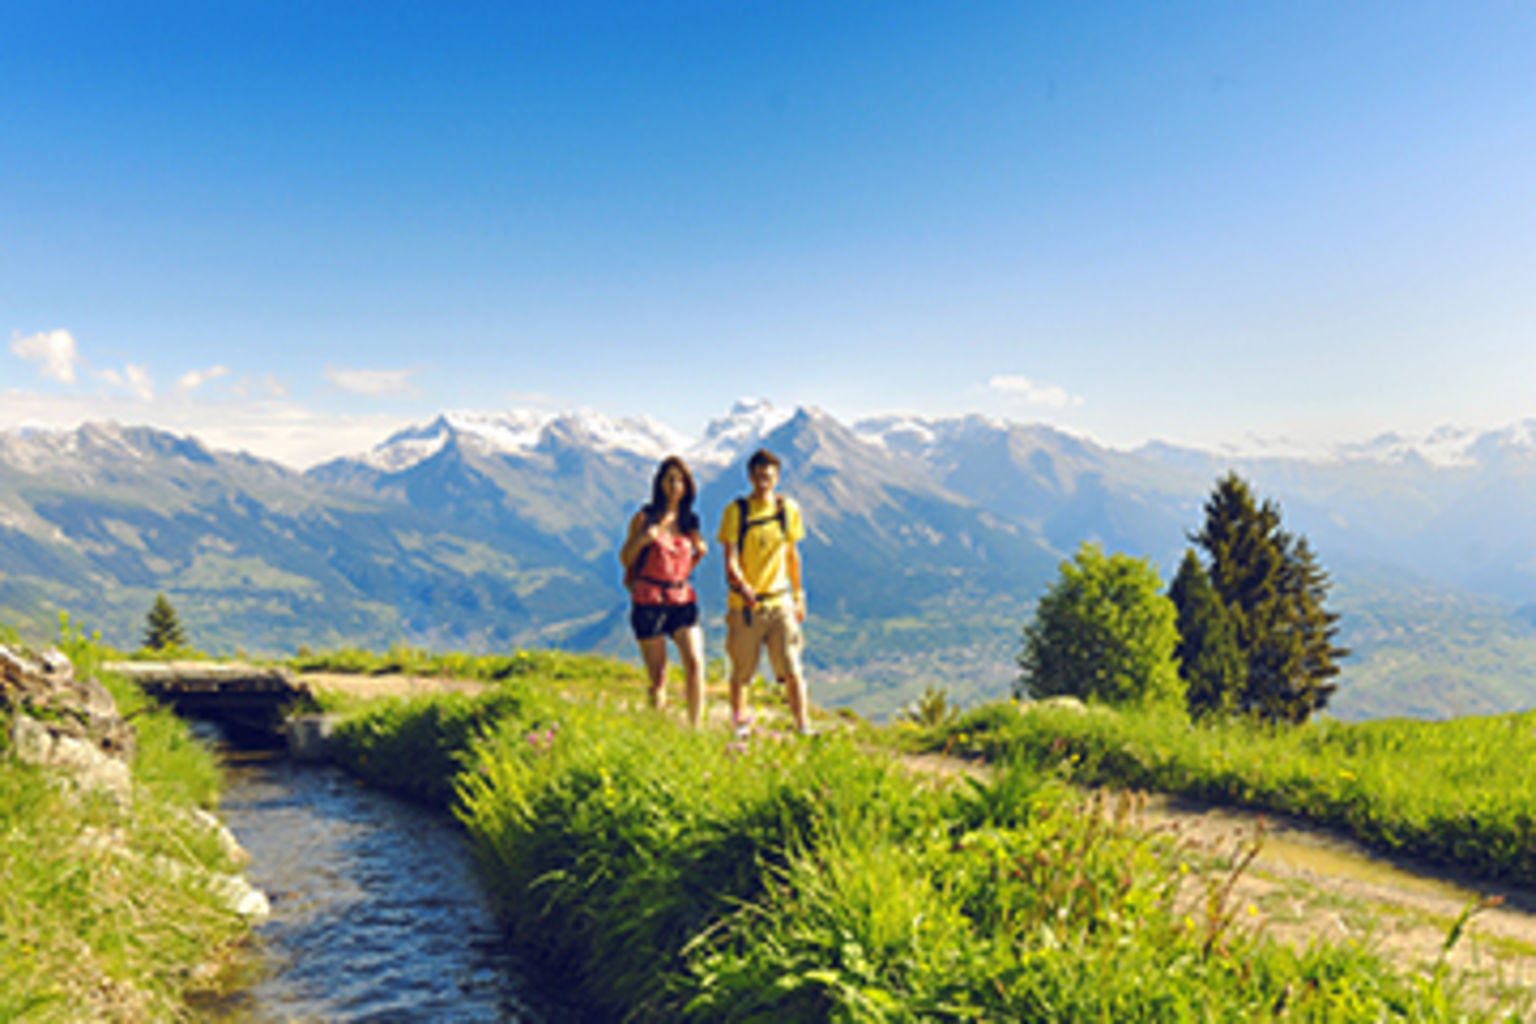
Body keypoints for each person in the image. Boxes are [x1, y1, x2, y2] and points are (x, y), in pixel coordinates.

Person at [718, 447, 812, 736]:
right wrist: (742, 584)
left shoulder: (787, 510)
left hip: (780, 601)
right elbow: (730, 556)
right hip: (745, 607)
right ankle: (738, 724)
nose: (762, 483)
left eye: (768, 477)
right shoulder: (737, 511)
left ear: (778, 477)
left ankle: (803, 725)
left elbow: (792, 555)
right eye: (758, 477)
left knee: (792, 666)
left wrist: (798, 594)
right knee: (742, 671)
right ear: (749, 477)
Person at [619, 456, 707, 727]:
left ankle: (696, 728)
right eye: (669, 479)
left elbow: (686, 562)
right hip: (649, 600)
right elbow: (625, 558)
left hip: (681, 599)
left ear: (687, 486)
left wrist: (697, 556)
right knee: (658, 676)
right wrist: (644, 539)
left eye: (680, 480)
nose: (674, 485)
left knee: (695, 662)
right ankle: (657, 727)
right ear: (659, 484)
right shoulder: (644, 518)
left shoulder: (690, 521)